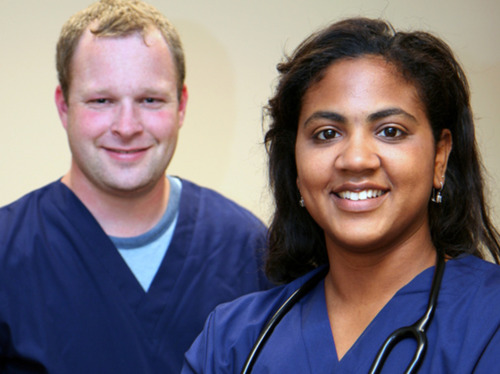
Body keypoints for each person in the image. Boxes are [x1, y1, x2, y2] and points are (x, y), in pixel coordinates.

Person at [182, 17, 500, 373]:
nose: (355, 160)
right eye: (327, 134)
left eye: (390, 131)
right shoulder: (232, 341)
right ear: (295, 166)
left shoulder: (490, 320)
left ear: (440, 157)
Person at [0, 0, 270, 373]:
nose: (127, 127)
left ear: (181, 106)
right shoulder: (7, 250)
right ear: (64, 107)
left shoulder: (246, 249)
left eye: (149, 100)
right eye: (101, 101)